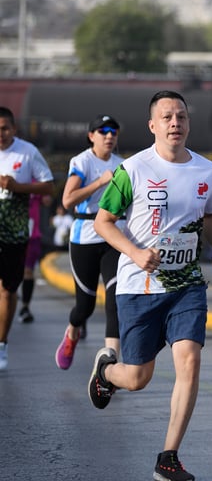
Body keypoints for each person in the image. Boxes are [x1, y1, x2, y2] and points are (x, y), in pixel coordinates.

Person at [89, 90, 212, 481]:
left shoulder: (208, 171)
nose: (175, 123)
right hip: (140, 285)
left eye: (181, 117)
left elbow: (211, 216)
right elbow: (103, 222)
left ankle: (168, 456)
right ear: (153, 125)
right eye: (167, 117)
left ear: (188, 123)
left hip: (186, 284)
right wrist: (134, 253)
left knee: (189, 360)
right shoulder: (132, 170)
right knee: (137, 378)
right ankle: (107, 373)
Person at [54, 115, 125, 370]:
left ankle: (111, 362)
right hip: (85, 236)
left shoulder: (123, 165)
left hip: (114, 236)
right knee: (85, 307)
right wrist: (99, 182)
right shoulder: (82, 161)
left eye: (114, 132)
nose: (109, 136)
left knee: (116, 298)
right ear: (91, 135)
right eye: (103, 131)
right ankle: (73, 331)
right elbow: (67, 200)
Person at [0, 106, 54, 370]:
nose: (1, 134)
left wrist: (18, 187)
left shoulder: (27, 152)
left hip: (14, 231)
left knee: (8, 290)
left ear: (14, 128)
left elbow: (48, 186)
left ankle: (2, 344)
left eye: (5, 128)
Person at [18, 193, 45, 324]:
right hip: (9, 233)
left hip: (32, 235)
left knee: (28, 271)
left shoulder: (36, 178)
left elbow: (47, 199)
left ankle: (25, 307)